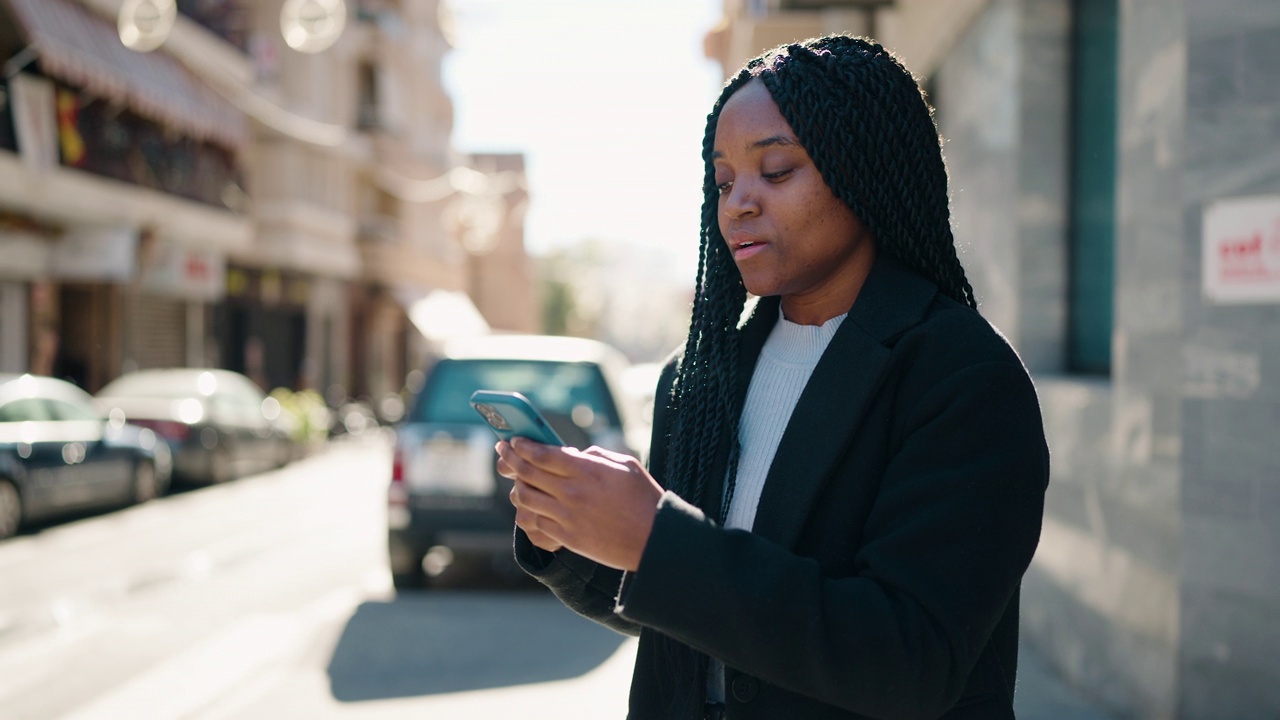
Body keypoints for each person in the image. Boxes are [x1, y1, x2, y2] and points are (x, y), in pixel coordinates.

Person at [497, 34, 1050, 720]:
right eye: (724, 181)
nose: (737, 204)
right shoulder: (699, 377)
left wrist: (657, 541)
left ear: (863, 170)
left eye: (777, 170)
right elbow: (686, 615)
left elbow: (912, 659)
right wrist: (572, 532)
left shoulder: (960, 375)